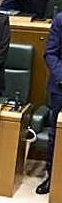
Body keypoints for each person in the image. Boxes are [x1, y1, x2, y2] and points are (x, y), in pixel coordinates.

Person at [41, 10, 62, 193]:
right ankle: (51, 175)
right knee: (55, 134)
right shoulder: (60, 19)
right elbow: (50, 53)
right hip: (60, 88)